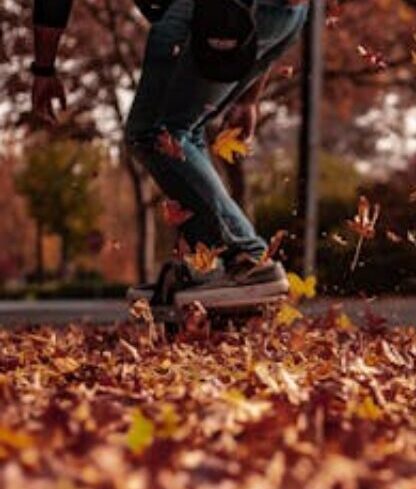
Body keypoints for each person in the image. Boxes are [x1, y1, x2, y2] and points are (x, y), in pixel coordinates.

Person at [31, 0, 308, 306]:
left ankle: (249, 258)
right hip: (283, 16)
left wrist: (43, 69)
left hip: (213, 11)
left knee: (154, 134)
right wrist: (248, 99)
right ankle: (213, 266)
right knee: (182, 132)